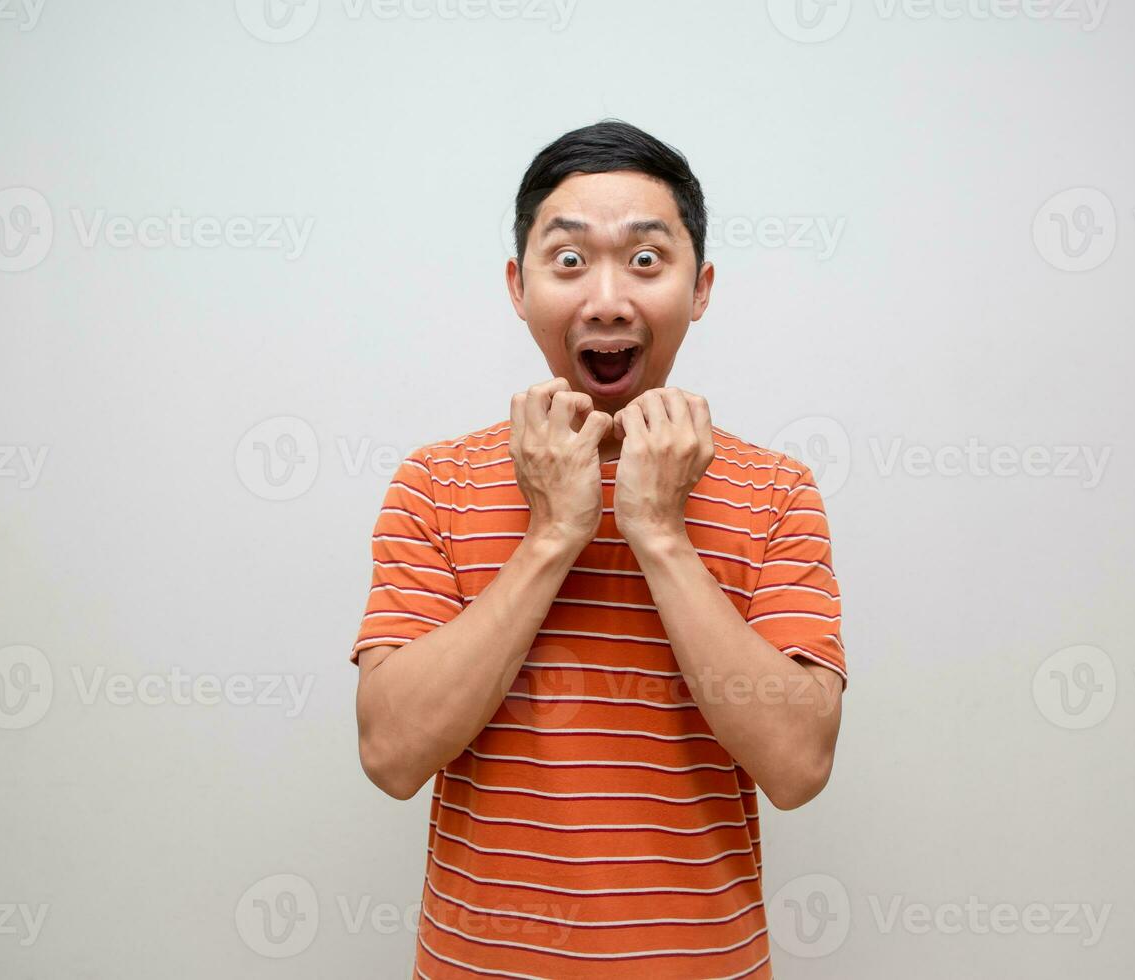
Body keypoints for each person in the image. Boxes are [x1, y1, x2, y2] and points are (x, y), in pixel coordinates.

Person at [351, 119, 847, 978]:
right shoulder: (435, 482)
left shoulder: (778, 491)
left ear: (701, 288)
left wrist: (658, 531)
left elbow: (798, 766)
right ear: (519, 284)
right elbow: (392, 756)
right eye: (570, 260)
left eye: (647, 260)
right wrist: (552, 534)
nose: (609, 299)